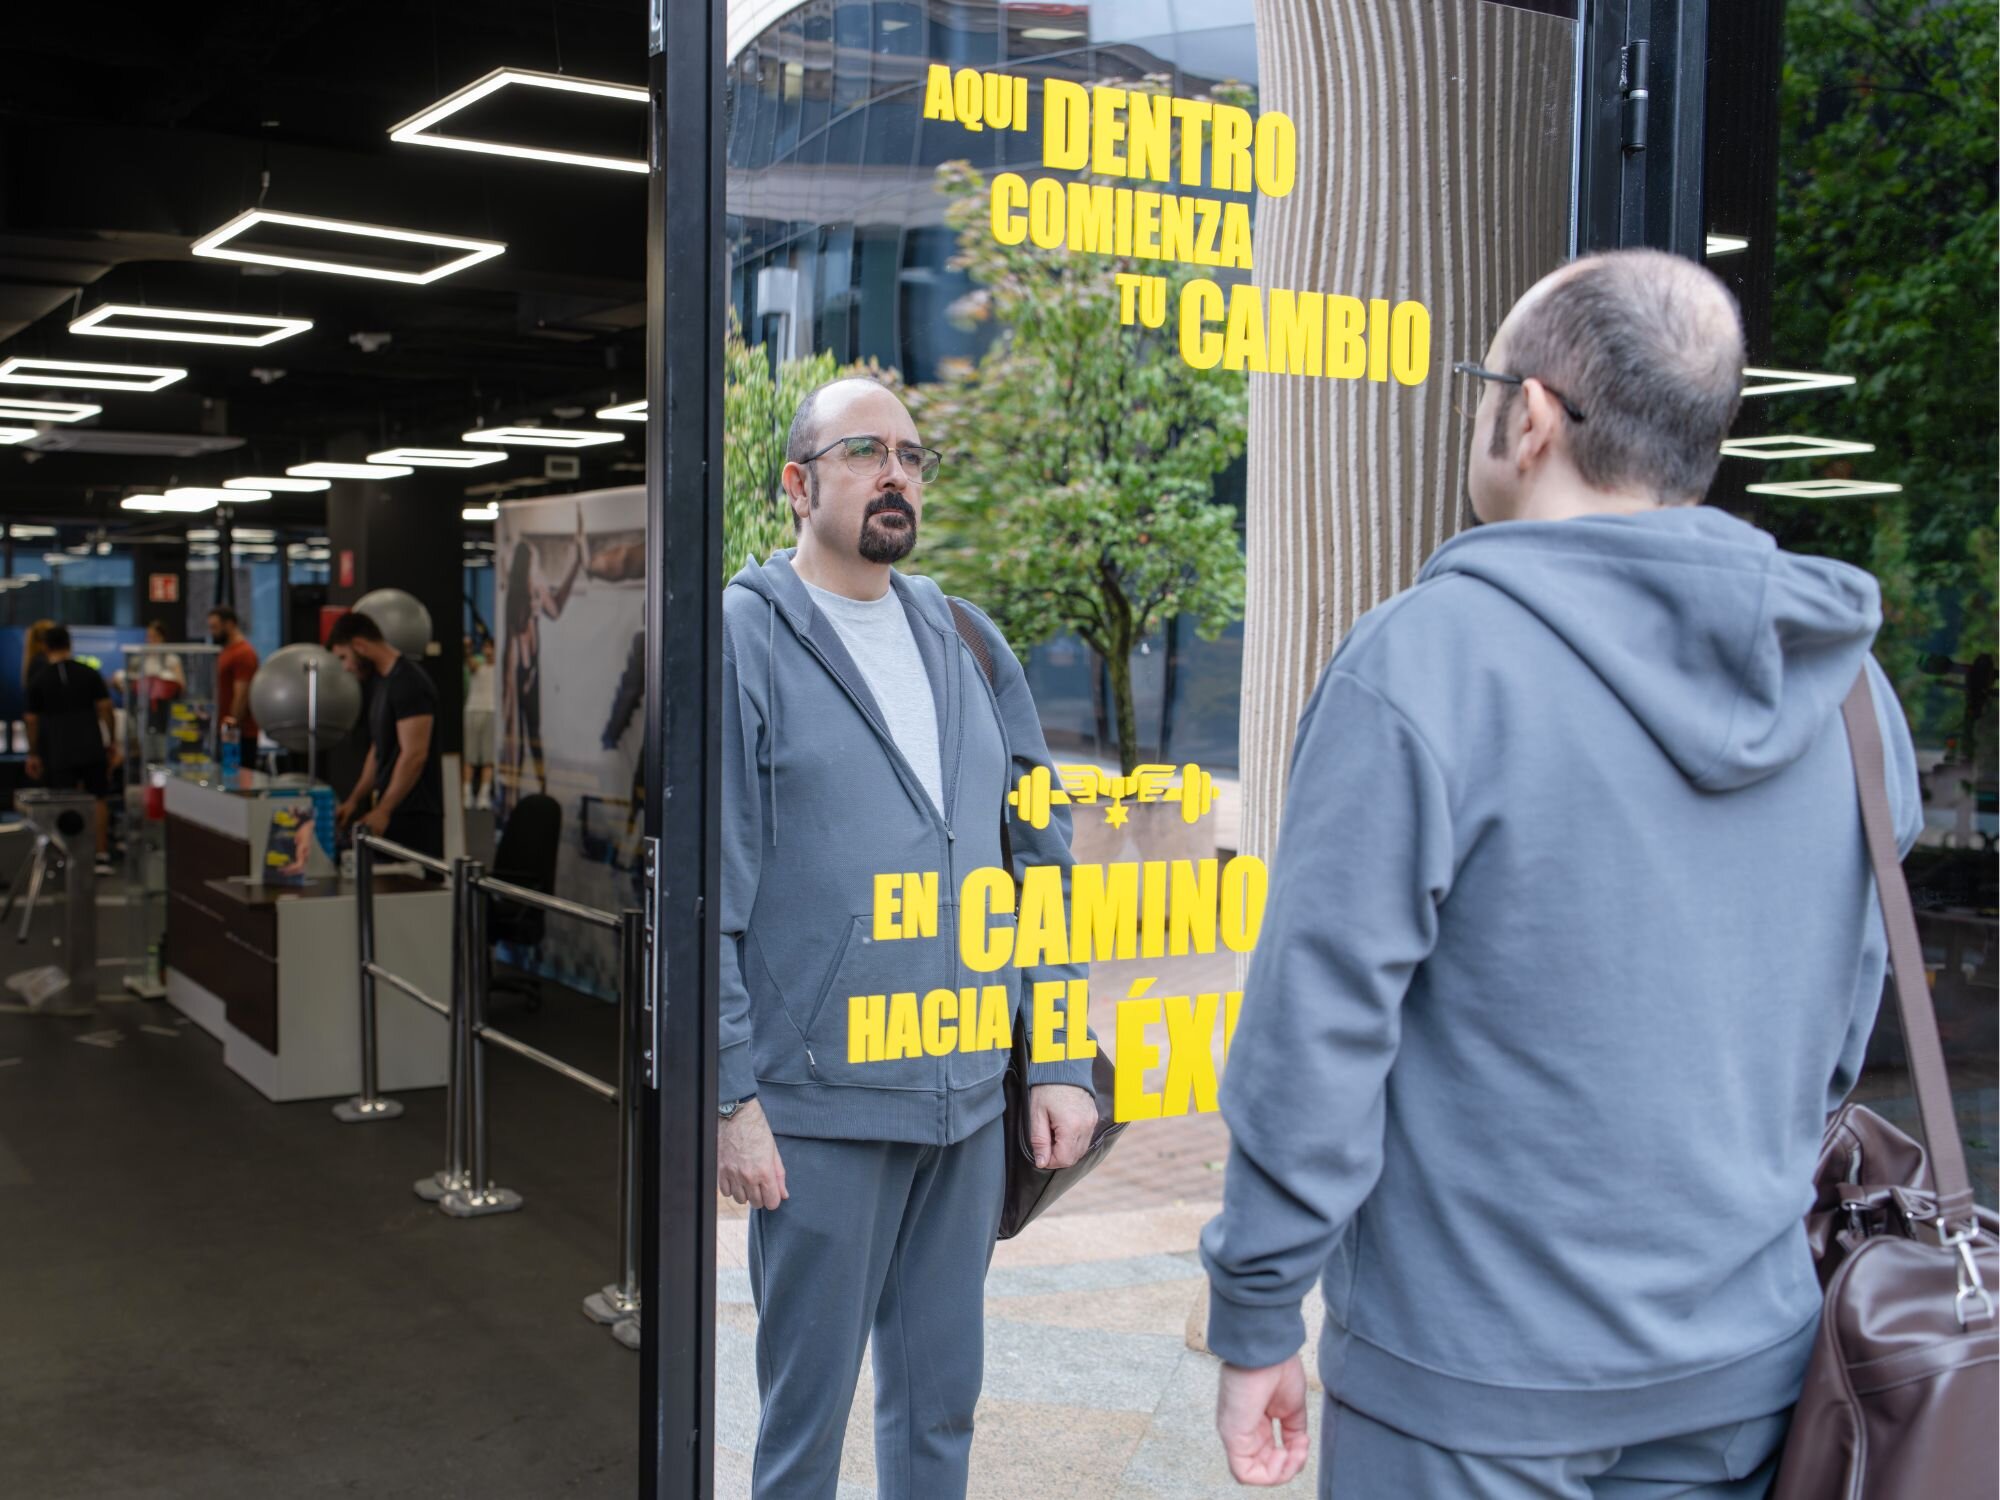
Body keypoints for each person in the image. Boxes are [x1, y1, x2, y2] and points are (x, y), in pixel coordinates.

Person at [1201, 250, 1924, 1496]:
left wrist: (1257, 1311)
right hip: (1743, 1374)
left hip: (1461, 1385)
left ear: (1527, 414)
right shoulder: (1852, 695)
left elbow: (1313, 1034)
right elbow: (1834, 1028)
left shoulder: (1423, 663)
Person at [721, 376, 1100, 1499]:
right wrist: (732, 1097)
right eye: (862, 452)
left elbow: (1040, 856)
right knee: (803, 1427)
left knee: (941, 1413)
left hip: (970, 1093)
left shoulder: (967, 638)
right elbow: (718, 885)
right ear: (798, 485)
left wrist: (1062, 1060)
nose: (895, 473)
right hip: (820, 1111)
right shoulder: (747, 637)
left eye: (911, 455)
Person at [328, 611, 445, 860]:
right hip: (393, 811)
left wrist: (384, 809)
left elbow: (414, 754)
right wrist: (354, 800)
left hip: (415, 816)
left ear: (360, 645)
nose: (345, 668)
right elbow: (378, 748)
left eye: (344, 657)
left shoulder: (410, 683)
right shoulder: (381, 683)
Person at [499, 509, 585, 803]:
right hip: (517, 669)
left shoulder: (534, 590)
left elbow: (555, 609)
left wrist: (575, 565)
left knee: (533, 734)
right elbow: (516, 646)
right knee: (515, 733)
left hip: (529, 669)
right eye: (534, 564)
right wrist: (515, 686)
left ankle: (543, 793)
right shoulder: (519, 599)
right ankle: (511, 797)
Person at [24, 624, 122, 872]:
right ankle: (100, 854)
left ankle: (67, 853)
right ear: (70, 644)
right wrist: (111, 740)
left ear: (46, 647)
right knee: (98, 797)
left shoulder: (40, 679)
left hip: (59, 747)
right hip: (90, 742)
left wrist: (34, 752)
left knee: (64, 799)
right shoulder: (89, 673)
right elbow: (106, 708)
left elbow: (32, 720)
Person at [207, 605, 259, 750]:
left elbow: (241, 695)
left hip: (239, 733)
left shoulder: (243, 653)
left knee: (237, 773)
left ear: (229, 624)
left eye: (215, 627)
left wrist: (232, 725)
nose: (212, 632)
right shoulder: (226, 651)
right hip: (224, 730)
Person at [463, 636, 495, 809]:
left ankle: (484, 794)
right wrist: (467, 649)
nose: (487, 650)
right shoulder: (477, 665)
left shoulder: (500, 668)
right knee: (470, 756)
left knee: (488, 758)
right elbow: (470, 663)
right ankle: (467, 793)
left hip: (492, 712)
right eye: (485, 647)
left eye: (491, 647)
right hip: (473, 711)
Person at [139, 619, 186, 735]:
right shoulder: (144, 659)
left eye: (154, 637)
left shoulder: (172, 659)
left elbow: (181, 685)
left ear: (162, 638)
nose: (150, 641)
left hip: (166, 709)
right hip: (145, 708)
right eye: (148, 637)